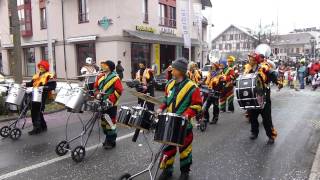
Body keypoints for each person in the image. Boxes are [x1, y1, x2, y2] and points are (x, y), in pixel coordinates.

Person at [157, 58, 202, 180]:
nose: (171, 71)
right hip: (170, 123)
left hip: (184, 124)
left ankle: (185, 172)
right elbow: (166, 100)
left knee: (185, 149)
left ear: (181, 71)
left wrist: (187, 114)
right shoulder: (169, 84)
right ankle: (167, 170)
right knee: (168, 148)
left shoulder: (192, 87)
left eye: (174, 69)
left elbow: (197, 105)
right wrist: (161, 108)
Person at [245, 53, 282, 144]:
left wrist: (278, 82)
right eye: (249, 58)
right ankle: (254, 132)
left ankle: (271, 136)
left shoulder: (263, 67)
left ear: (256, 60)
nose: (249, 60)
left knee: (266, 119)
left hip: (264, 96)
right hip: (253, 97)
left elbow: (273, 73)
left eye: (251, 58)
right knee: (253, 117)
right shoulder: (248, 68)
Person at [94, 60, 123, 149]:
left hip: (111, 104)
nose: (103, 66)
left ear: (109, 67)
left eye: (105, 65)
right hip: (101, 103)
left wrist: (111, 100)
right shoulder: (100, 77)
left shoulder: (115, 78)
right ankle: (108, 138)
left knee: (110, 122)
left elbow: (119, 90)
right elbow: (96, 88)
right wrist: (97, 94)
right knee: (104, 122)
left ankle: (111, 141)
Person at [26, 60, 57, 135]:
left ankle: (37, 128)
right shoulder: (37, 75)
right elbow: (31, 83)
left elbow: (53, 86)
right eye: (40, 66)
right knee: (36, 110)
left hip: (43, 95)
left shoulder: (49, 75)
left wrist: (43, 87)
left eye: (42, 66)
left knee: (36, 110)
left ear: (46, 67)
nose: (41, 67)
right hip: (34, 94)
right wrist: (25, 84)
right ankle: (43, 126)